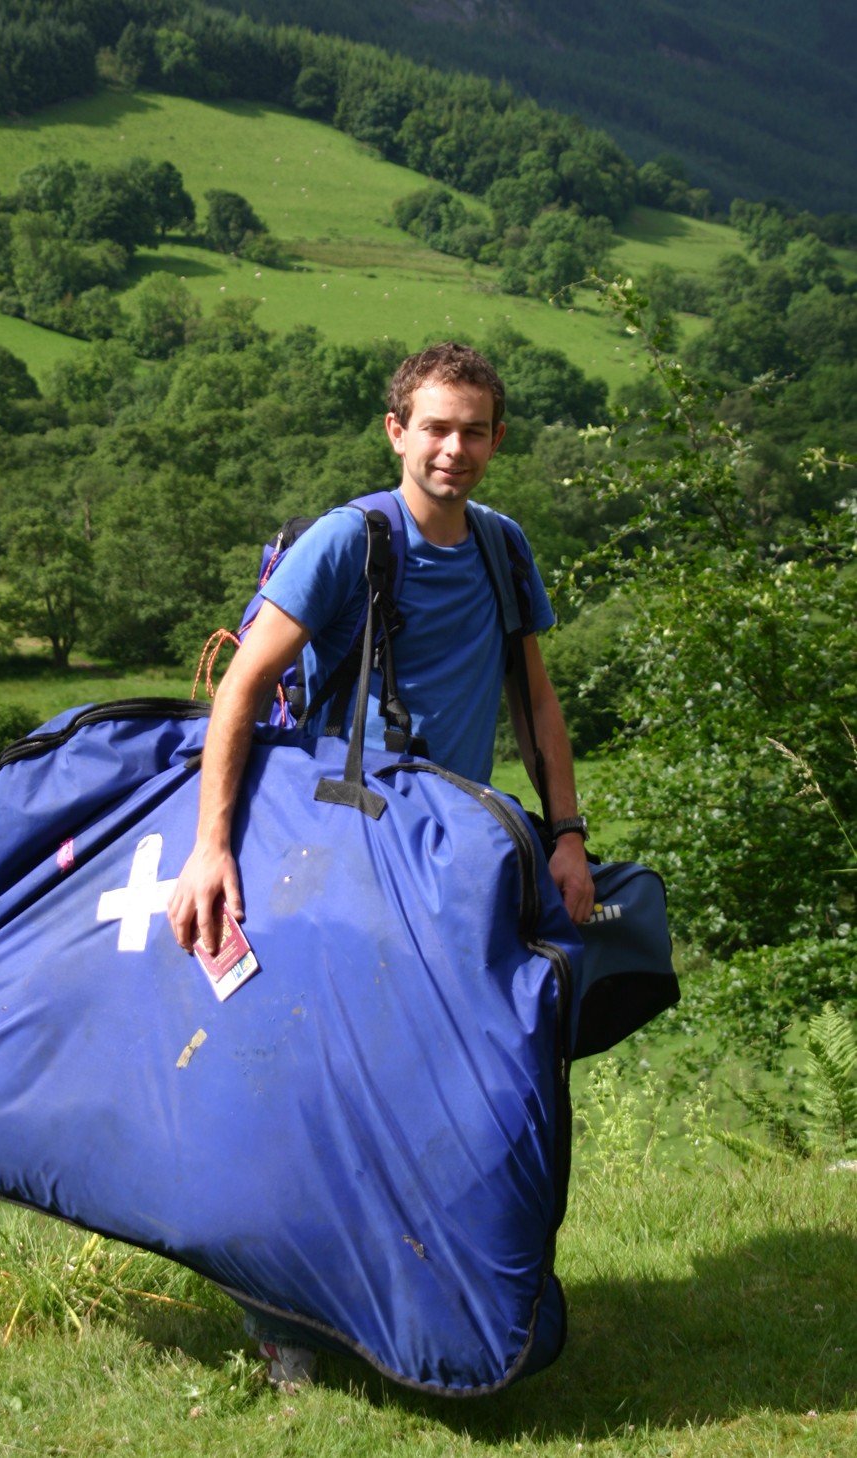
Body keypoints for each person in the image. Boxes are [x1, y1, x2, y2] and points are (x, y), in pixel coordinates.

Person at [167, 341, 594, 1387]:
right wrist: (210, 849)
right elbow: (241, 687)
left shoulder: (502, 548)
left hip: (447, 862)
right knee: (314, 1088)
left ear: (497, 439)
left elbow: (533, 701)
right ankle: (291, 1332)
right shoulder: (346, 542)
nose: (455, 448)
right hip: (334, 856)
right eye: (436, 427)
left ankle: (415, 1304)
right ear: (396, 430)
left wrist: (568, 834)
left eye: (475, 430)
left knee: (444, 1087)